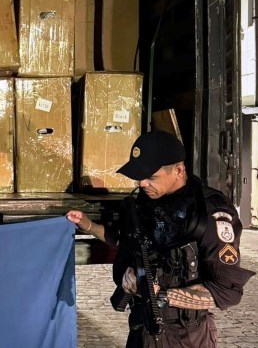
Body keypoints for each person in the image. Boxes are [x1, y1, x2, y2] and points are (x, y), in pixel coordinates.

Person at [67, 130, 254, 347]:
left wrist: (160, 295)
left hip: (185, 335)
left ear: (178, 170)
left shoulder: (208, 214)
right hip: (141, 327)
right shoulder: (146, 202)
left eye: (151, 177)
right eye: (139, 177)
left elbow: (227, 291)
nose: (142, 184)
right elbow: (124, 239)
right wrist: (88, 225)